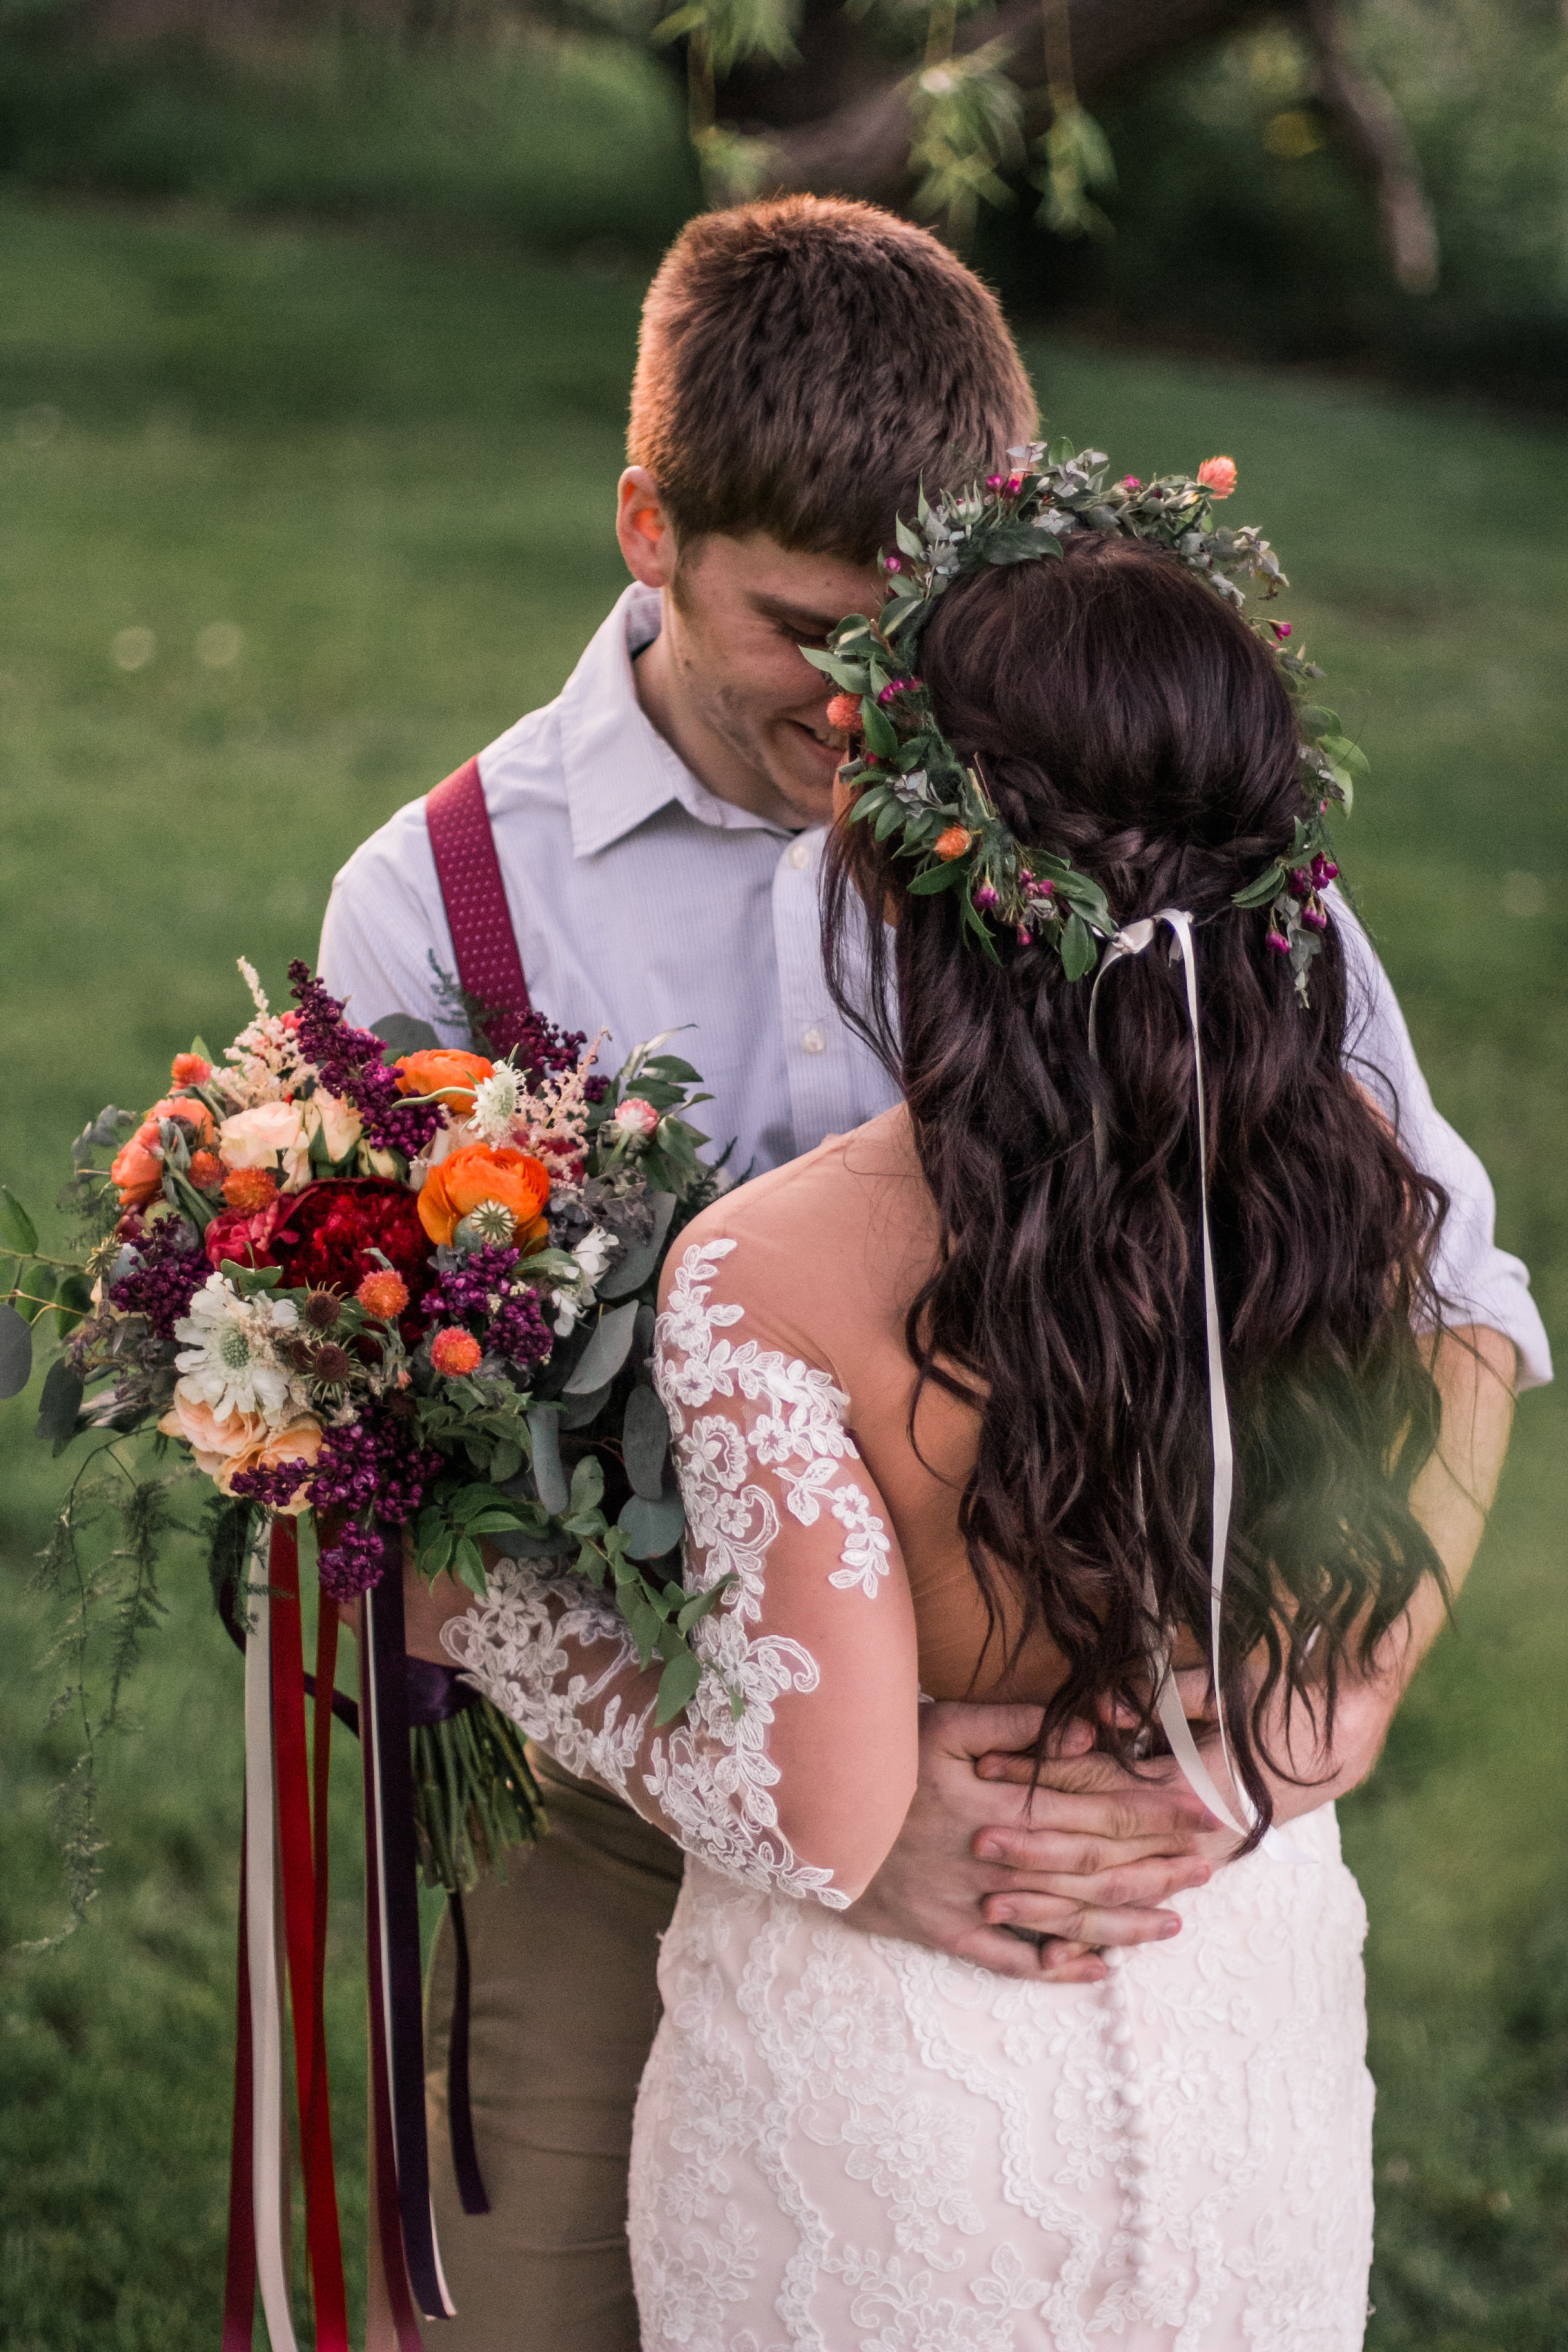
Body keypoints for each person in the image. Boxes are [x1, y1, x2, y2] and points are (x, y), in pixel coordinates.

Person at [318, 199, 1548, 2349]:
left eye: (923, 635)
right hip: (633, 1822)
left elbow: (1459, 1311)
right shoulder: (445, 908)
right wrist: (828, 1812)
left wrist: (1287, 1735)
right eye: (810, 628)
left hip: (1132, 1799)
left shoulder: (1155, 833)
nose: (879, 711)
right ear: (647, 527)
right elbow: (394, 1471)